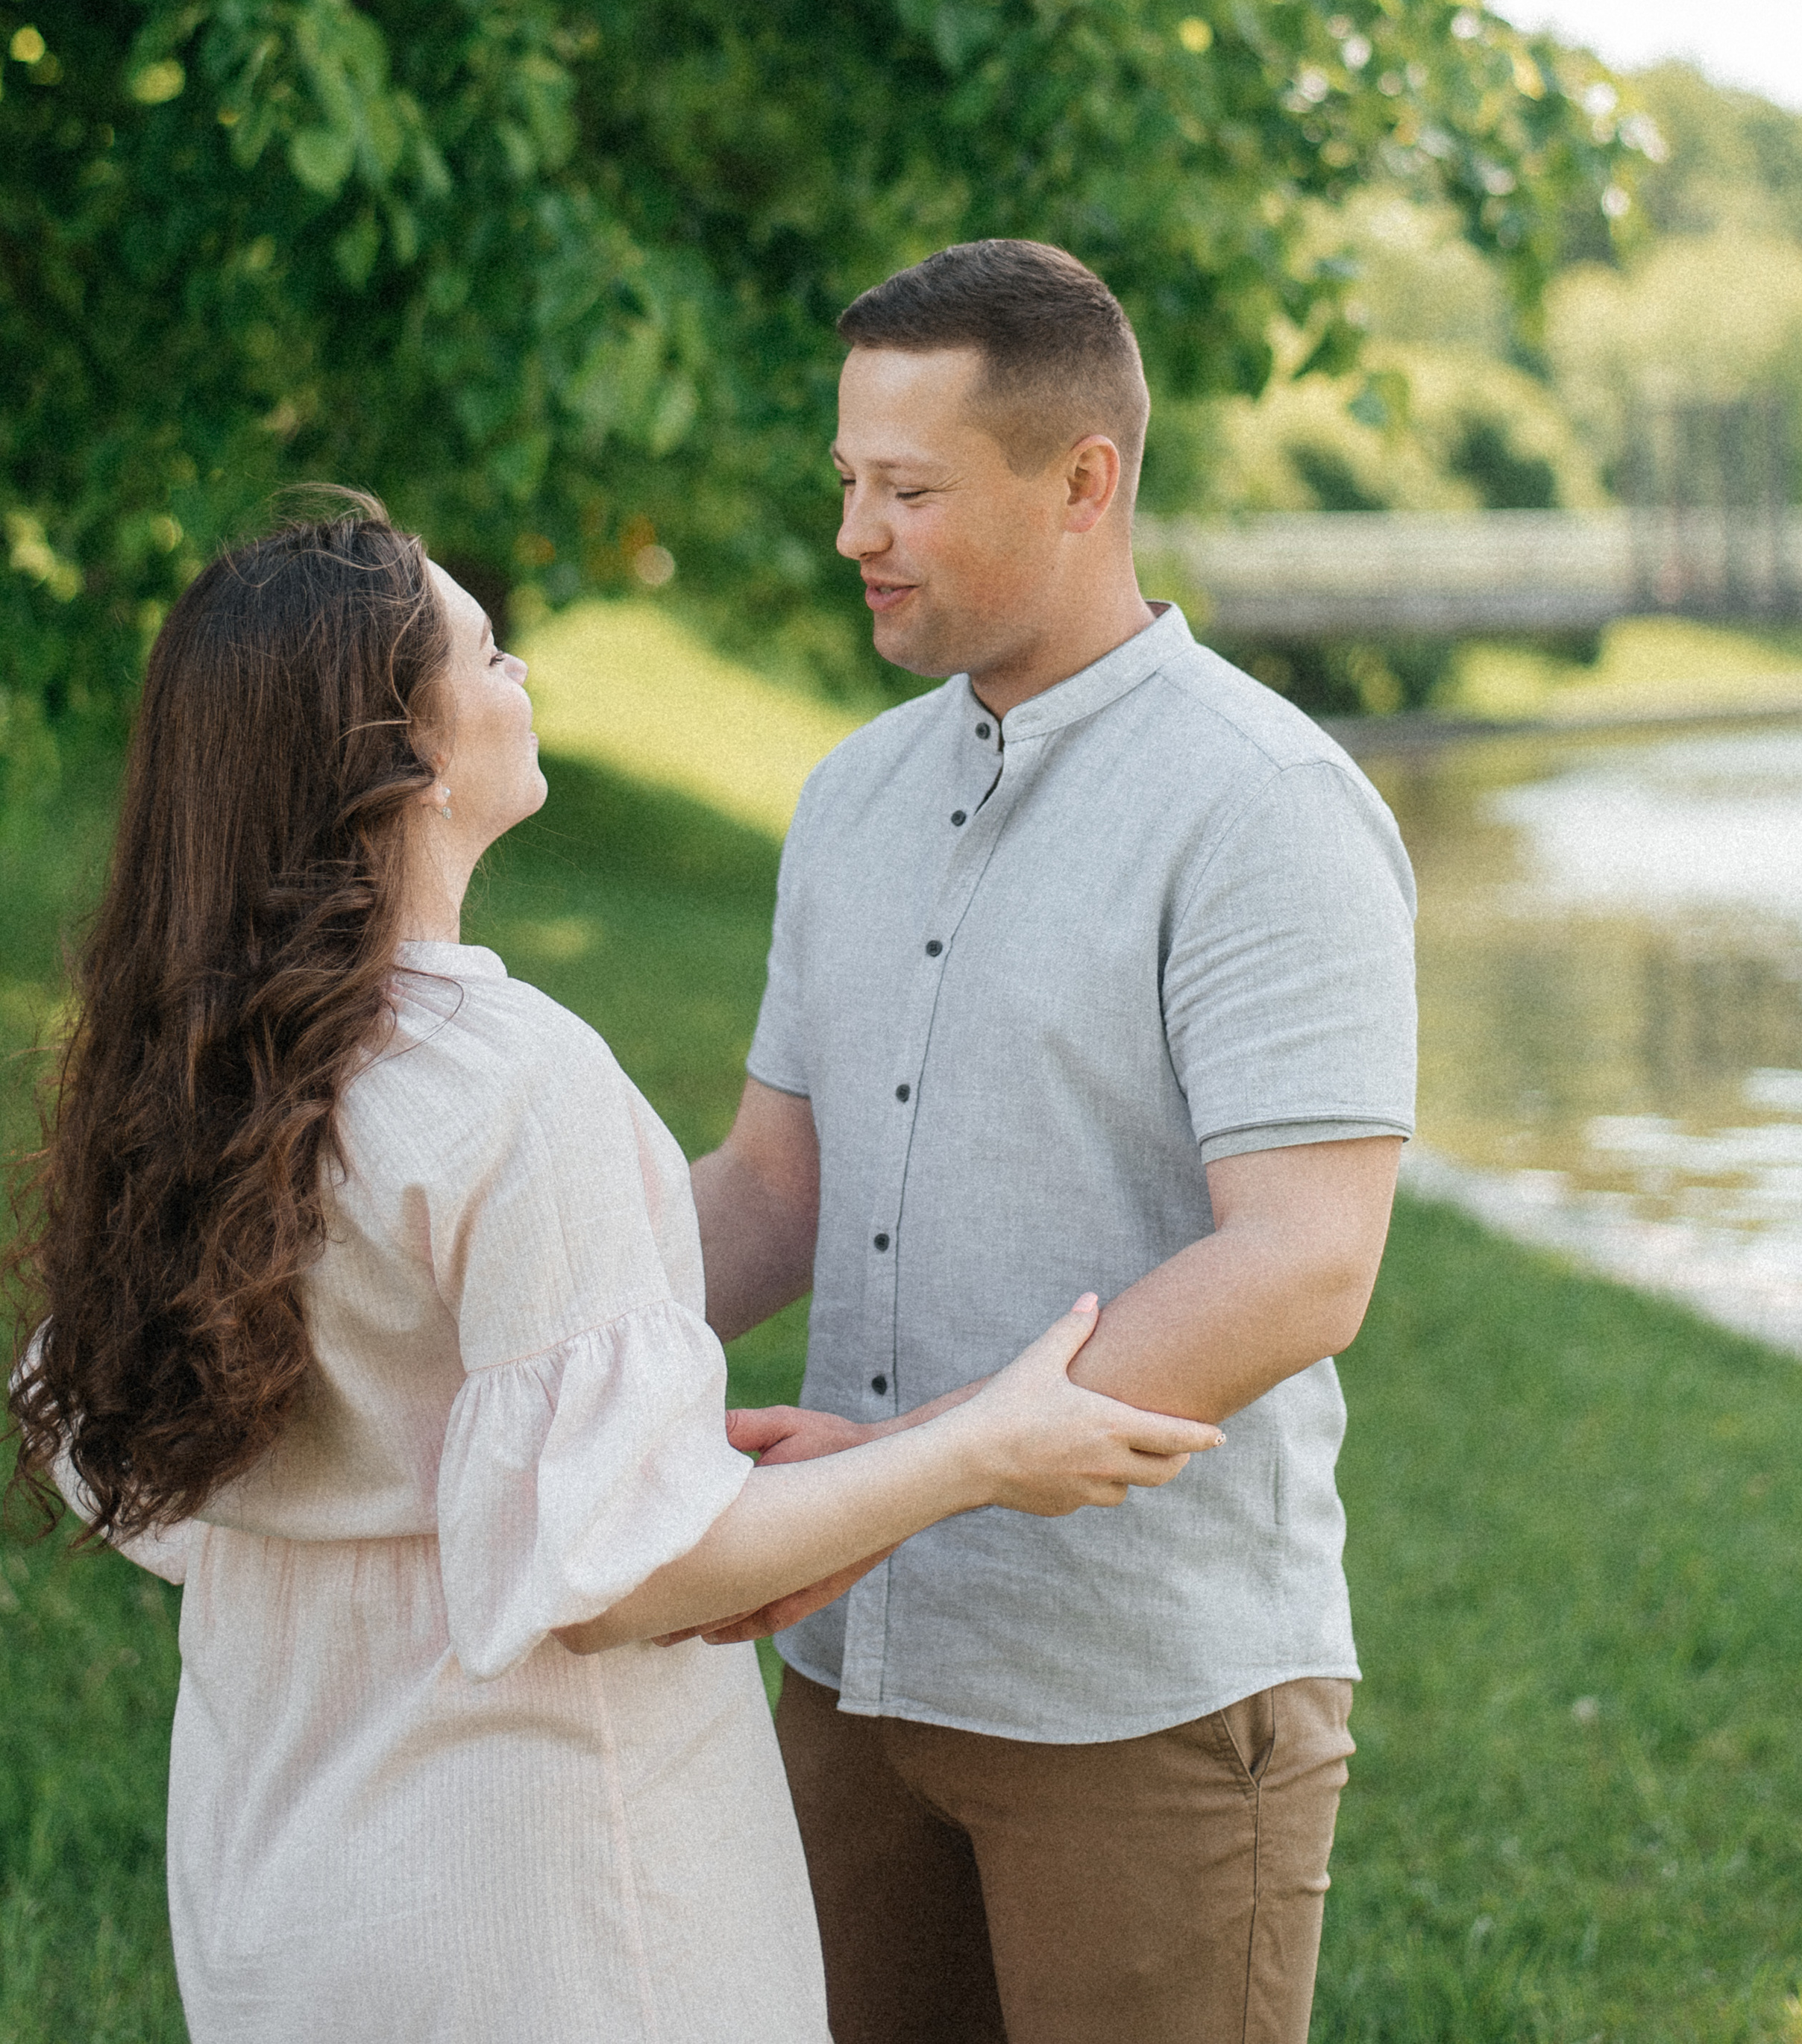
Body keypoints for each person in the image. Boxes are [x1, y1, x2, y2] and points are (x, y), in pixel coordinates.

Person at [7, 497, 1218, 2044]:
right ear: (403, 752)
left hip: (279, 1892)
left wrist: (636, 1457)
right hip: (546, 1906)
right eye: (487, 652)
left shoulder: (176, 1069)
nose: (519, 676)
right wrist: (979, 1451)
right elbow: (620, 1578)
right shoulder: (508, 1081)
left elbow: (209, 1445)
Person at [688, 240, 1419, 2044]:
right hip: (846, 1674)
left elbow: (1302, 1261)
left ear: (1084, 481)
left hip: (1140, 1695)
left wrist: (897, 1475)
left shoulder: (1263, 809)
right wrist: (475, 1328)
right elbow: (773, 1190)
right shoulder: (845, 795)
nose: (857, 530)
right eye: (847, 481)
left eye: (910, 489)